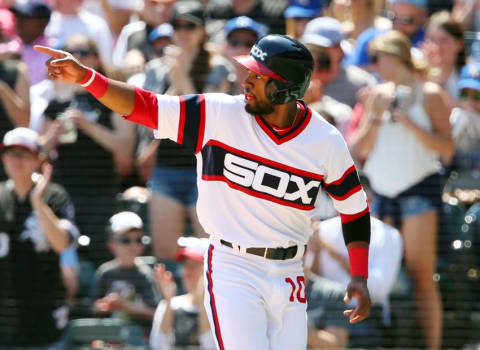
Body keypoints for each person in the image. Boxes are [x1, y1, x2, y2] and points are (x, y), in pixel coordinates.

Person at [36, 33, 372, 350]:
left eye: (258, 76)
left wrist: (359, 273)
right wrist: (86, 77)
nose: (246, 81)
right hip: (233, 265)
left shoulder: (324, 141)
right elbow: (146, 107)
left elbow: (354, 209)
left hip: (290, 271)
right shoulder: (218, 113)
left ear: (285, 88)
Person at [349, 30, 454, 350]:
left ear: (395, 58)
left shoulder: (431, 93)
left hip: (418, 195)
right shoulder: (376, 94)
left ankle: (433, 346)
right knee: (382, 279)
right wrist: (376, 116)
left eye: (379, 59)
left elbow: (447, 150)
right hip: (383, 197)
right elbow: (356, 150)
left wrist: (409, 123)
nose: (375, 66)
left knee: (422, 278)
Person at [137, 0, 231, 259]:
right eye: (177, 25)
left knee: (210, 254)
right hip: (167, 167)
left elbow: (204, 119)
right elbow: (153, 118)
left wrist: (181, 75)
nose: (183, 32)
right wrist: (174, 82)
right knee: (165, 255)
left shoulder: (218, 66)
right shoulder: (157, 68)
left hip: (205, 169)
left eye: (190, 26)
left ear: (202, 31)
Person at [36, 35, 133, 266]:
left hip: (101, 191)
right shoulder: (57, 102)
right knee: (63, 258)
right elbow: (37, 153)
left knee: (102, 255)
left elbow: (126, 150)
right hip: (64, 192)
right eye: (71, 52)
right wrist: (54, 135)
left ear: (97, 59)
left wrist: (88, 126)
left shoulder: (113, 97)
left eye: (84, 53)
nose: (77, 58)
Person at [0, 127, 78, 348]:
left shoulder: (55, 196)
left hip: (46, 321)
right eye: (10, 153)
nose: (16, 160)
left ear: (38, 159)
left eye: (23, 153)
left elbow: (62, 244)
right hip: (5, 323)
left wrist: (38, 203)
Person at [92, 211, 159, 331]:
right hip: (108, 335)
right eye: (126, 240)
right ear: (112, 244)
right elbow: (93, 306)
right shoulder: (105, 272)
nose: (133, 246)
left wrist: (124, 305)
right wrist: (104, 305)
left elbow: (155, 312)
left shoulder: (146, 274)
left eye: (138, 240)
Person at [151, 237, 215, 349]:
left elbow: (210, 346)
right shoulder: (170, 304)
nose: (187, 272)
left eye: (194, 266)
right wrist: (168, 301)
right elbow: (159, 346)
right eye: (186, 265)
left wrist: (203, 299)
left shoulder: (220, 308)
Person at [301, 17, 377, 108]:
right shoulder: (297, 82)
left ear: (339, 51)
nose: (314, 54)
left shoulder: (361, 83)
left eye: (320, 48)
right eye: (310, 47)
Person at [422, 11, 466, 110]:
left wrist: (436, 76)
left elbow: (461, 114)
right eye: (432, 40)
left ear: (460, 44)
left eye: (444, 40)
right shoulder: (415, 72)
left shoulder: (471, 75)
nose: (437, 47)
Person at [10, 0, 56, 86]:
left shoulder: (53, 52)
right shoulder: (11, 46)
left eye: (25, 18)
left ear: (42, 23)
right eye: (18, 16)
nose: (18, 21)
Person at [221, 16, 268, 95]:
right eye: (234, 42)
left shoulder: (268, 85)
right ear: (225, 47)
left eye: (248, 43)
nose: (241, 49)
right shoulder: (222, 81)